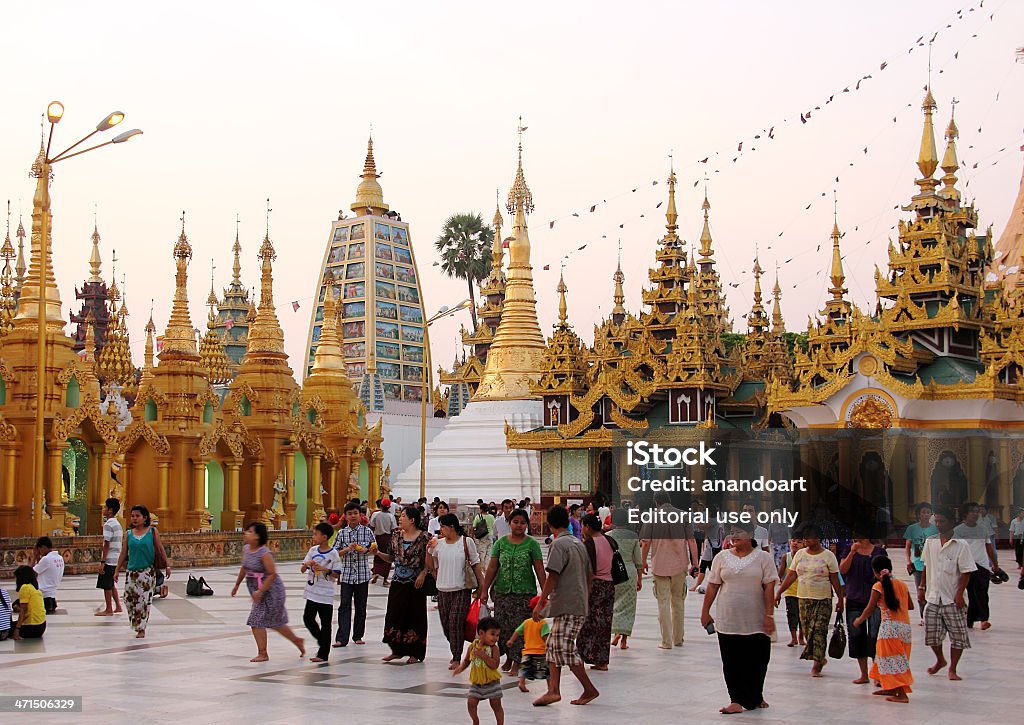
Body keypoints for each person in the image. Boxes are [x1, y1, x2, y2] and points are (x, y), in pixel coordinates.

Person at [700, 521, 778, 714]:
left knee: (758, 659)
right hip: (728, 617)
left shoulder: (763, 558)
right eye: (731, 532)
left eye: (738, 532)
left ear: (751, 534)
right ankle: (735, 699)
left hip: (756, 619)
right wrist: (705, 611)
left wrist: (769, 615)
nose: (733, 536)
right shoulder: (722, 557)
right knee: (731, 660)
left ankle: (756, 695)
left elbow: (769, 587)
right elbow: (712, 585)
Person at [532, 505, 599, 707]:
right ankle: (553, 690)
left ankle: (588, 689)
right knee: (553, 645)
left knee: (565, 647)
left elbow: (553, 574)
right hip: (575, 602)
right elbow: (590, 575)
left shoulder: (559, 545)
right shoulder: (578, 543)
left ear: (549, 524)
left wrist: (542, 601)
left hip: (569, 604)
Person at [480, 507, 544, 675]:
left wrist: (545, 595)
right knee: (503, 629)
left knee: (520, 630)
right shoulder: (501, 543)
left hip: (524, 595)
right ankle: (508, 657)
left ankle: (517, 663)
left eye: (523, 523)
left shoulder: (532, 544)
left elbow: (539, 569)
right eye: (516, 522)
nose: (519, 526)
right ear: (509, 523)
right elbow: (492, 567)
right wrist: (484, 590)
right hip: (502, 593)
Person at [775, 523, 844, 676]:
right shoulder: (800, 555)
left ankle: (817, 663)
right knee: (807, 630)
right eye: (804, 538)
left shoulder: (828, 556)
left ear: (818, 539)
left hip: (823, 598)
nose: (806, 540)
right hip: (803, 597)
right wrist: (779, 591)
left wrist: (840, 598)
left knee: (819, 630)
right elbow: (791, 575)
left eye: (809, 537)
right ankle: (818, 656)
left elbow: (834, 578)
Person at [231, 521, 305, 662]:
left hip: (271, 591)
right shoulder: (246, 549)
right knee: (272, 622)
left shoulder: (264, 553)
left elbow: (272, 574)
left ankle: (263, 653)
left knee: (261, 621)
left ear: (258, 536)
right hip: (257, 590)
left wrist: (261, 590)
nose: (246, 533)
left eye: (250, 531)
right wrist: (237, 585)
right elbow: (244, 567)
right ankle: (296, 641)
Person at [921, 505, 975, 680]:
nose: (938, 524)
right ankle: (940, 659)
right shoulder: (930, 542)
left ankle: (953, 668)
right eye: (935, 521)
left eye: (941, 521)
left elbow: (966, 572)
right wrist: (922, 588)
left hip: (952, 598)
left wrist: (960, 593)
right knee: (932, 634)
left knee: (958, 635)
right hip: (933, 596)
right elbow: (926, 565)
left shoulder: (961, 545)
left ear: (951, 522)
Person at [639, 491, 698, 650]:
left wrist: (643, 562)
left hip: (660, 565)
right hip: (680, 565)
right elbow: (691, 540)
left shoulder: (651, 516)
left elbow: (645, 542)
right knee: (678, 602)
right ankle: (678, 638)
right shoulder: (684, 515)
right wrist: (695, 562)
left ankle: (666, 641)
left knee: (663, 603)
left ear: (656, 502)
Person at [852, 555, 914, 703]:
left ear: (875, 571)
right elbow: (910, 606)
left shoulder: (878, 587)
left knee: (893, 661)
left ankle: (901, 694)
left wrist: (859, 620)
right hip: (905, 628)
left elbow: (869, 608)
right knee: (886, 658)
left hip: (889, 629)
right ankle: (889, 687)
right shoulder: (902, 584)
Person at [430, 512, 484, 668]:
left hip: (461, 589)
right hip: (442, 590)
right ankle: (456, 644)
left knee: (455, 623)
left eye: (443, 526)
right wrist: (429, 550)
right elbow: (430, 565)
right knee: (446, 625)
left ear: (451, 527)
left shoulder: (466, 542)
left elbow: (475, 563)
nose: (440, 529)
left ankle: (456, 656)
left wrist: (481, 585)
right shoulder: (438, 544)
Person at [379, 506, 430, 663]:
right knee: (395, 614)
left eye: (403, 516)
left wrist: (423, 573)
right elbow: (391, 557)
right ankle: (397, 650)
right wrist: (378, 554)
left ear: (412, 520)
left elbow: (430, 560)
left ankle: (416, 652)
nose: (400, 519)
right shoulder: (396, 535)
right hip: (398, 581)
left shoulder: (424, 537)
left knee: (415, 616)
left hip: (415, 583)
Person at [114, 504, 170, 638]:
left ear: (145, 518)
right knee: (129, 599)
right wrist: (116, 570)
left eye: (137, 516)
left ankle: (141, 628)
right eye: (132, 516)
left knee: (143, 600)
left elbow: (160, 548)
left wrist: (167, 564)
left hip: (147, 572)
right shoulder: (128, 534)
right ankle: (136, 622)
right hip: (132, 572)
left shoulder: (152, 532)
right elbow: (123, 553)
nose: (134, 518)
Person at [840, 535, 885, 685]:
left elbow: (884, 574)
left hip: (875, 599)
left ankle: (877, 673)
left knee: (875, 635)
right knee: (856, 636)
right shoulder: (848, 550)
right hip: (854, 598)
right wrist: (852, 553)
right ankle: (864, 674)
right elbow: (843, 570)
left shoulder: (879, 552)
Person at [333, 502, 376, 648]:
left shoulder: (367, 531)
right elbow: (334, 553)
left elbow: (374, 547)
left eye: (355, 513)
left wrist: (366, 550)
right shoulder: (342, 533)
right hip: (346, 575)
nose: (352, 516)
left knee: (361, 606)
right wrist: (346, 550)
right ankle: (341, 638)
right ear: (345, 516)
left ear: (360, 515)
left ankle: (358, 635)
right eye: (350, 513)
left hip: (362, 574)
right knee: (344, 606)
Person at [954, 501, 1002, 630]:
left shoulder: (983, 529)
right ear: (965, 514)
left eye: (977, 511)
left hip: (982, 566)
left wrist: (995, 565)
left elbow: (989, 548)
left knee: (982, 593)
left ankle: (984, 620)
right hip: (965, 567)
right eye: (972, 512)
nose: (976, 514)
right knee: (970, 594)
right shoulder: (958, 531)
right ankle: (969, 620)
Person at [577, 513, 615, 670]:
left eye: (583, 526)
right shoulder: (610, 541)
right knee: (605, 622)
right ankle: (602, 660)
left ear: (587, 527)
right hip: (610, 585)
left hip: (595, 585)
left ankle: (583, 655)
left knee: (589, 621)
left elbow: (588, 569)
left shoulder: (589, 544)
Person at [453, 616, 505, 725]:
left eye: (497, 635)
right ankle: (475, 720)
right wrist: (460, 668)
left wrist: (483, 656)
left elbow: (494, 665)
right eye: (492, 634)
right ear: (481, 633)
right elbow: (467, 660)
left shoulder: (494, 649)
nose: (495, 638)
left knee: (496, 706)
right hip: (477, 683)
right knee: (471, 702)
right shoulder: (473, 646)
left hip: (492, 683)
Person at [301, 523, 341, 662]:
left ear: (324, 537)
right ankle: (322, 639)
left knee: (326, 623)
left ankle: (323, 653)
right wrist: (307, 565)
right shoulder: (312, 550)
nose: (314, 537)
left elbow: (336, 574)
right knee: (308, 618)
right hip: (312, 591)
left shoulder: (333, 553)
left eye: (316, 534)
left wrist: (325, 569)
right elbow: (302, 568)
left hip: (326, 593)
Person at [607, 508, 642, 649]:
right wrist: (639, 578)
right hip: (629, 572)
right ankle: (624, 640)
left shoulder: (608, 536)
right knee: (628, 606)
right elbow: (638, 560)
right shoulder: (633, 536)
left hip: (612, 571)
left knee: (613, 603)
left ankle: (615, 633)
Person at [507, 595, 550, 693]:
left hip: (527, 651)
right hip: (540, 651)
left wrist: (511, 641)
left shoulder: (527, 622)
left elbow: (517, 631)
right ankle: (550, 687)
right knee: (547, 672)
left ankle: (521, 683)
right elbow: (545, 637)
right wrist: (550, 645)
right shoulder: (543, 623)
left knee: (524, 670)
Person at [903, 502, 937, 622]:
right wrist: (908, 560)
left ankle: (931, 615)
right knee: (920, 591)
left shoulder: (935, 529)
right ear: (918, 514)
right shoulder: (912, 529)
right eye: (923, 512)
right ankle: (924, 616)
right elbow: (908, 546)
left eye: (928, 512)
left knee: (932, 590)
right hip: (918, 564)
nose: (926, 515)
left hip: (932, 564)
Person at [95, 498, 124, 617]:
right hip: (116, 558)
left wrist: (102, 561)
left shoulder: (108, 525)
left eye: (106, 507)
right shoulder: (117, 524)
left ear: (110, 510)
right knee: (111, 583)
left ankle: (109, 609)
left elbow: (106, 544)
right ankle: (118, 606)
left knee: (107, 584)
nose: (104, 509)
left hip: (110, 558)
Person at [778, 537, 805, 647]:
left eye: (799, 542)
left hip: (803, 591)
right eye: (794, 541)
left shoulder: (805, 556)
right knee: (791, 615)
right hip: (790, 591)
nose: (795, 544)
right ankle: (793, 638)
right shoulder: (786, 557)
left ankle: (801, 637)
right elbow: (781, 571)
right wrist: (777, 580)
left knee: (802, 616)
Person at [11, 566, 46, 640]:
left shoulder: (25, 588)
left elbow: (23, 612)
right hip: (41, 626)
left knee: (6, 627)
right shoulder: (35, 588)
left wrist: (17, 629)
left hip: (32, 628)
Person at [33, 536, 64, 614]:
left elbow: (30, 573)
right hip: (51, 595)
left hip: (43, 593)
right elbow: (43, 567)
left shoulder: (46, 559)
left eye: (39, 549)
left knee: (16, 605)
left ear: (43, 547)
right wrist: (38, 558)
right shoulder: (59, 557)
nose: (39, 551)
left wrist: (34, 557)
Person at [369, 498, 397, 586]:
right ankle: (385, 579)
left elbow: (372, 527)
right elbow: (393, 529)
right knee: (387, 557)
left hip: (377, 538)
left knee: (377, 555)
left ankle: (376, 572)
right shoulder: (391, 516)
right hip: (388, 538)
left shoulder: (375, 514)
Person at [473, 503, 497, 570]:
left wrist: (473, 535)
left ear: (481, 509)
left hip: (482, 536)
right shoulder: (492, 517)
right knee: (489, 552)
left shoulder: (478, 516)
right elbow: (494, 526)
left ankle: (481, 569)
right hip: (490, 536)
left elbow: (474, 527)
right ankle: (487, 568)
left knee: (482, 552)